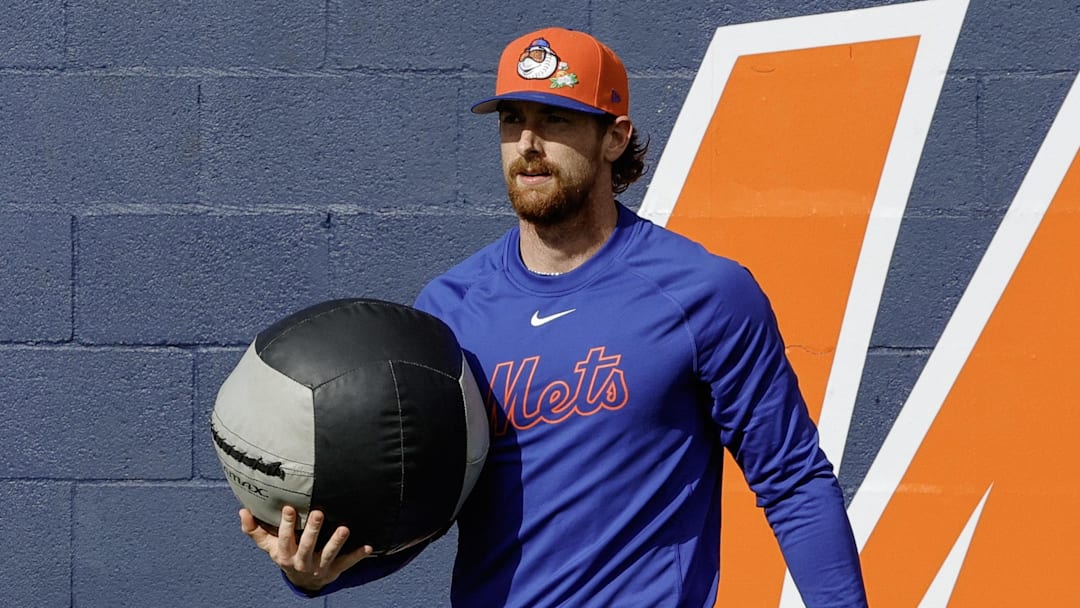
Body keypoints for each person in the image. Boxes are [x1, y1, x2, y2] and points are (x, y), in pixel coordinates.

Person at [239, 26, 868, 607]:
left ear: (614, 136)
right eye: (512, 121)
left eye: (555, 119)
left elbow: (792, 480)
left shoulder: (704, 293)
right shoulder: (449, 309)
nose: (528, 146)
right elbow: (425, 510)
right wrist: (315, 571)